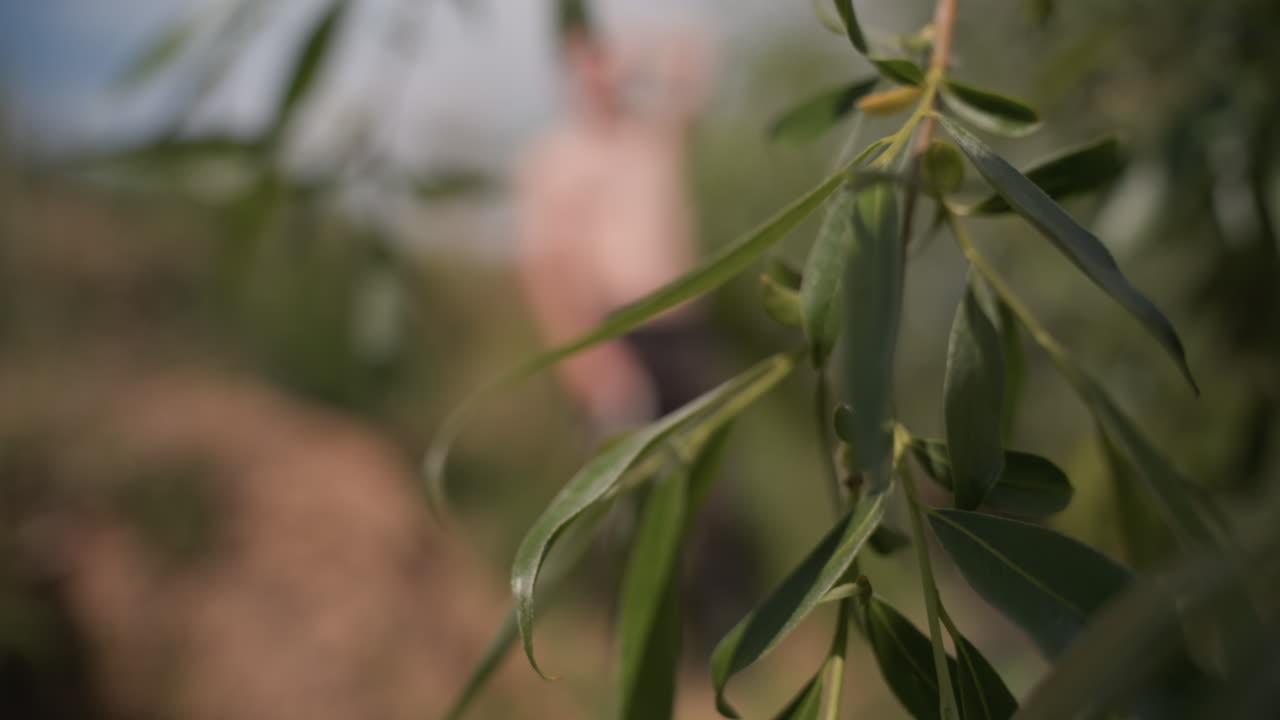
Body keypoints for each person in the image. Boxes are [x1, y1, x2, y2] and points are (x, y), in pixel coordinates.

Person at [515, 24, 714, 435]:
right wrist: (588, 363)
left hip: (685, 331)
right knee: (636, 485)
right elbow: (544, 271)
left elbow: (694, 71)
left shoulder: (649, 140)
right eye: (592, 58)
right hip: (619, 336)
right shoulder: (557, 159)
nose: (604, 71)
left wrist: (642, 63)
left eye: (608, 57)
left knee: (706, 484)